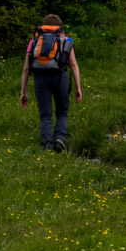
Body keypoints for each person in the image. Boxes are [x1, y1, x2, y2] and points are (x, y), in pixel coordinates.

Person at [20, 15, 82, 152]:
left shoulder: (35, 41)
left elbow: (26, 69)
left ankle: (47, 145)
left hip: (40, 79)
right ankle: (59, 139)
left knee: (45, 114)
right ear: (59, 27)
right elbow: (73, 64)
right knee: (62, 110)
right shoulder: (65, 40)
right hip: (60, 77)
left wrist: (23, 92)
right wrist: (78, 88)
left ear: (44, 26)